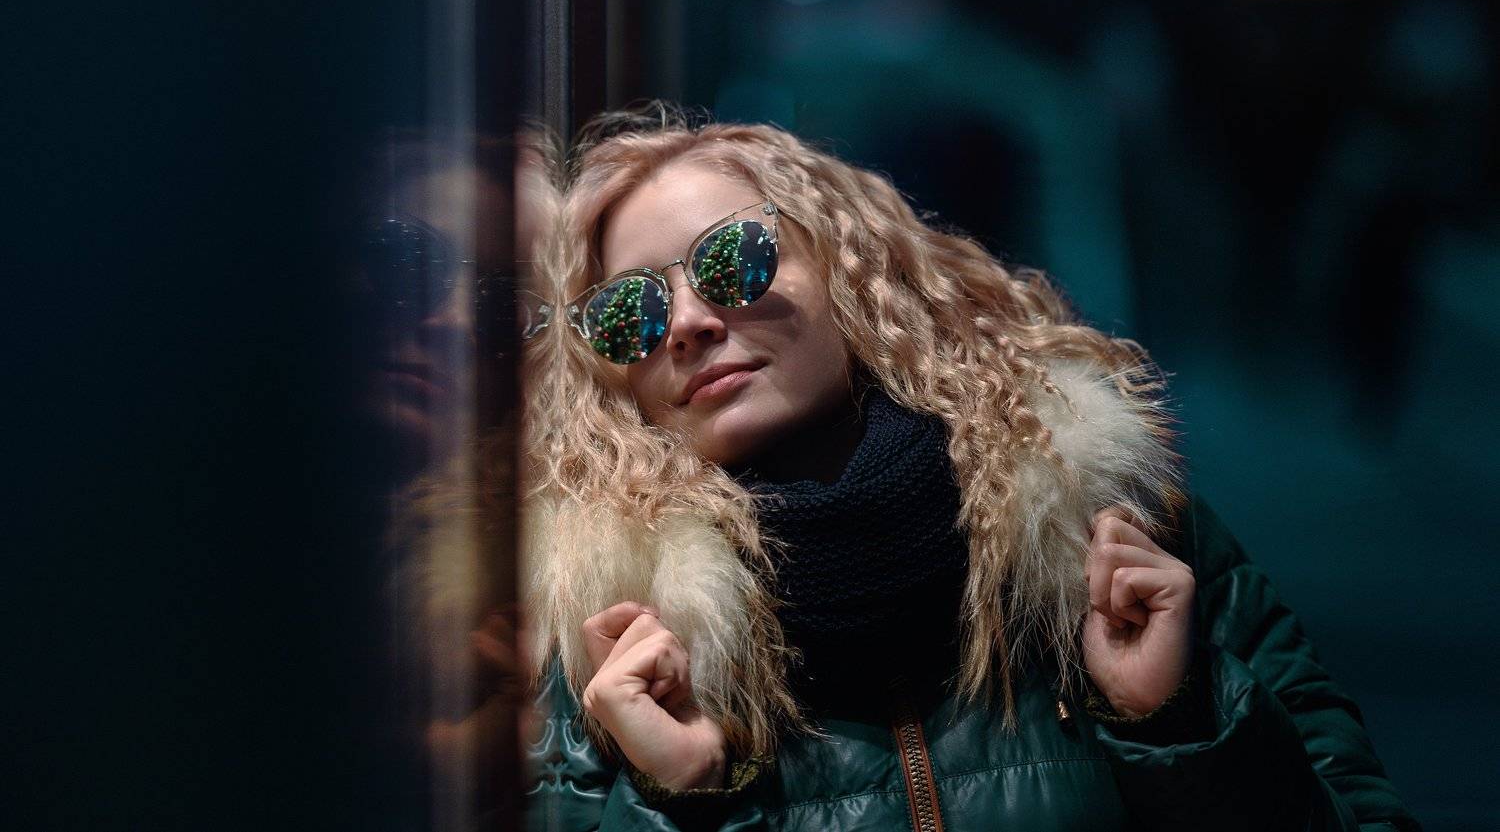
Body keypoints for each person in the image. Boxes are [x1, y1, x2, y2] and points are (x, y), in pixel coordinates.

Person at [520, 103, 1421, 831]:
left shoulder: (1108, 532)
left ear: (848, 265)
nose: (687, 322)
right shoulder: (610, 641)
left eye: (732, 260)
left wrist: (1178, 719)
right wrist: (679, 802)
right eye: (629, 311)